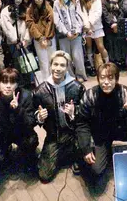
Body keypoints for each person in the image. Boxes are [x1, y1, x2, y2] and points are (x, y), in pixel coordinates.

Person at [76, 63, 127, 181]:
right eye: (102, 78)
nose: (106, 82)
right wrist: (85, 149)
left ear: (116, 79)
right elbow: (82, 124)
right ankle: (89, 156)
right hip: (100, 134)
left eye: (110, 78)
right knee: (96, 170)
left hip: (121, 129)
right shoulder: (89, 95)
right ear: (98, 79)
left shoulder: (126, 93)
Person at [33, 51, 86, 183]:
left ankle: (74, 155)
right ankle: (64, 152)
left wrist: (75, 112)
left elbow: (87, 113)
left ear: (67, 67)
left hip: (75, 133)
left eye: (62, 65)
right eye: (55, 64)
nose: (58, 68)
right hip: (54, 135)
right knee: (44, 176)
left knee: (86, 163)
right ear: (50, 66)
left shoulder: (77, 88)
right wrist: (39, 117)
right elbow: (32, 113)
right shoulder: (40, 91)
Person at [53, 0, 87, 82]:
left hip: (76, 34)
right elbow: (57, 20)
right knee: (66, 57)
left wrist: (77, 30)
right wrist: (66, 32)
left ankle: (80, 75)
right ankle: (70, 76)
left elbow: (79, 15)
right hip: (64, 35)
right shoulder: (56, 3)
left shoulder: (75, 0)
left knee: (77, 56)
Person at [26, 0, 56, 85]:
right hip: (38, 39)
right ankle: (46, 82)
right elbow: (30, 24)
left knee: (52, 59)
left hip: (50, 38)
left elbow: (51, 22)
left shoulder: (48, 7)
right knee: (43, 61)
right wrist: (40, 38)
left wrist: (46, 37)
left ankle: (55, 79)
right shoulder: (30, 9)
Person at [79, 0, 109, 72]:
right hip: (86, 28)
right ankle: (92, 66)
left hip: (96, 26)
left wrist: (90, 24)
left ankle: (107, 65)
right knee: (89, 47)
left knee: (100, 46)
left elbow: (98, 13)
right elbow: (80, 13)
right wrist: (87, 27)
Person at [101, 0, 125, 66]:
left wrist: (117, 23)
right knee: (110, 43)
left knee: (119, 42)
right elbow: (105, 12)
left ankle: (119, 60)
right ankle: (112, 61)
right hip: (108, 25)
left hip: (119, 24)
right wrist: (112, 23)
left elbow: (122, 10)